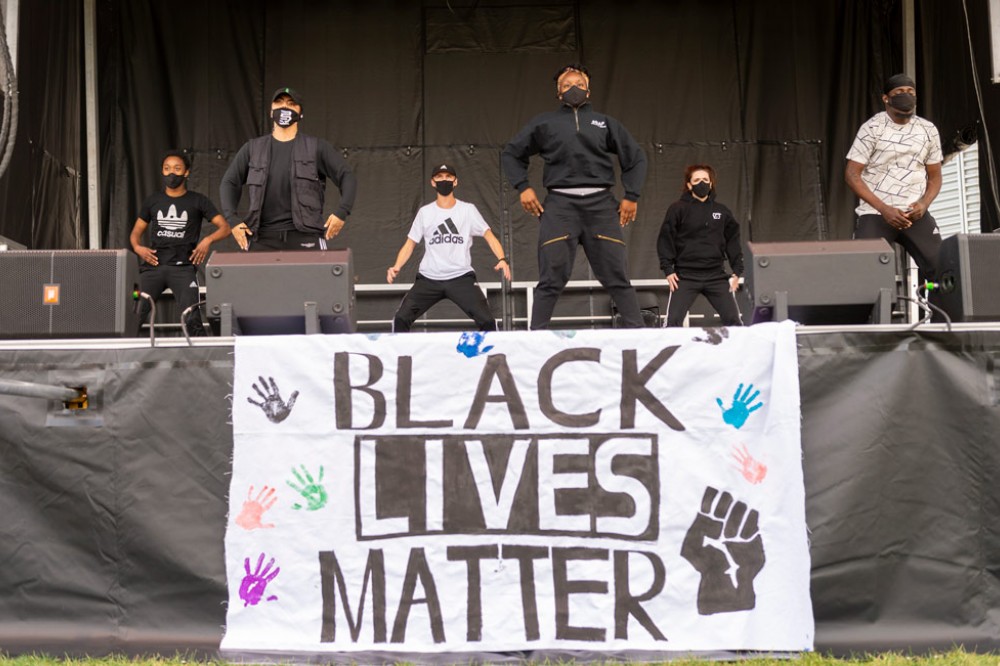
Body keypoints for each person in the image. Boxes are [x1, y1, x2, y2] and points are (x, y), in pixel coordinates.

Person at [501, 63, 647, 330]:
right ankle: (538, 338)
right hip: (560, 206)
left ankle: (638, 335)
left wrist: (631, 195)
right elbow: (511, 153)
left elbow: (636, 158)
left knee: (617, 276)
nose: (573, 89)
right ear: (558, 94)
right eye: (566, 86)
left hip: (601, 205)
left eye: (579, 84)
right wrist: (523, 187)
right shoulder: (545, 122)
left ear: (588, 90)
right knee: (551, 277)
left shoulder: (604, 122)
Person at [220, 87, 357, 251]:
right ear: (271, 111)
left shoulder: (316, 147)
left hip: (305, 236)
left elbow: (346, 175)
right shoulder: (252, 148)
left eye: (291, 104)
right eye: (279, 102)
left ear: (300, 113)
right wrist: (232, 220)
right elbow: (229, 182)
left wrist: (342, 212)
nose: (284, 107)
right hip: (261, 237)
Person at [387, 164, 511, 332]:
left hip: (461, 277)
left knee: (487, 321)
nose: (443, 180)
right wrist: (397, 266)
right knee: (400, 319)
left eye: (448, 177)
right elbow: (410, 243)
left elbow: (489, 235)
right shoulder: (425, 212)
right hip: (428, 279)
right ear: (432, 182)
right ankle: (401, 357)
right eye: (439, 177)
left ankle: (492, 358)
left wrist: (502, 259)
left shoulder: (467, 210)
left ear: (455, 181)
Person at [845, 73, 943, 282]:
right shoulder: (872, 128)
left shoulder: (928, 130)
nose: (906, 96)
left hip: (914, 214)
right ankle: (878, 315)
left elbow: (935, 177)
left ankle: (939, 314)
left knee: (943, 270)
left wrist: (924, 204)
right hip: (876, 213)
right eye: (899, 92)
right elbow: (852, 174)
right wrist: (884, 209)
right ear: (886, 98)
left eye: (910, 92)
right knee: (866, 275)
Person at [130, 150, 230, 335]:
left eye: (177, 168)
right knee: (132, 308)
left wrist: (207, 240)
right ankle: (120, 360)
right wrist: (137, 248)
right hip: (152, 267)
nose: (171, 173)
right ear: (162, 171)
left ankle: (202, 360)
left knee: (192, 317)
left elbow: (225, 227)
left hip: (183, 269)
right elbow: (136, 232)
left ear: (186, 172)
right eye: (167, 169)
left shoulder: (198, 200)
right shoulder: (153, 200)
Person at [657, 165, 744, 327]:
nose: (701, 183)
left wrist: (737, 271)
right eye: (697, 180)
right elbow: (665, 239)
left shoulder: (722, 211)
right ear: (689, 185)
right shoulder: (677, 209)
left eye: (705, 180)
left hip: (716, 276)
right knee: (673, 321)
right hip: (685, 276)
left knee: (734, 321)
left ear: (711, 184)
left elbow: (733, 241)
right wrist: (668, 269)